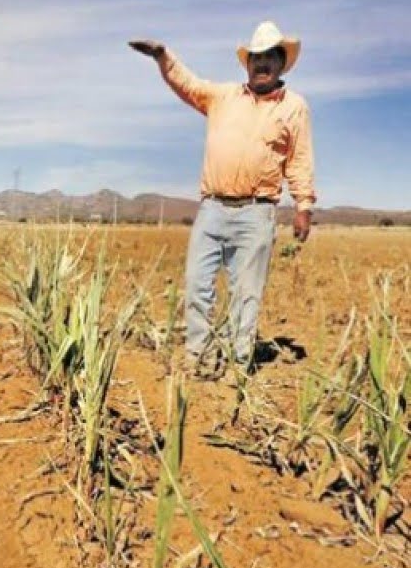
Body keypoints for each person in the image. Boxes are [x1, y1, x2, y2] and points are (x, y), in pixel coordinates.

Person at [129, 21, 315, 380]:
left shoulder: (294, 107)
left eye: (269, 58)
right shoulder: (222, 96)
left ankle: (236, 366)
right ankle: (198, 359)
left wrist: (303, 205)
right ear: (247, 64)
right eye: (256, 58)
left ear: (281, 64)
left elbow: (300, 158)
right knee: (197, 285)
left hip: (257, 212)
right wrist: (162, 56)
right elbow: (188, 83)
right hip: (212, 209)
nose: (261, 65)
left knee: (247, 294)